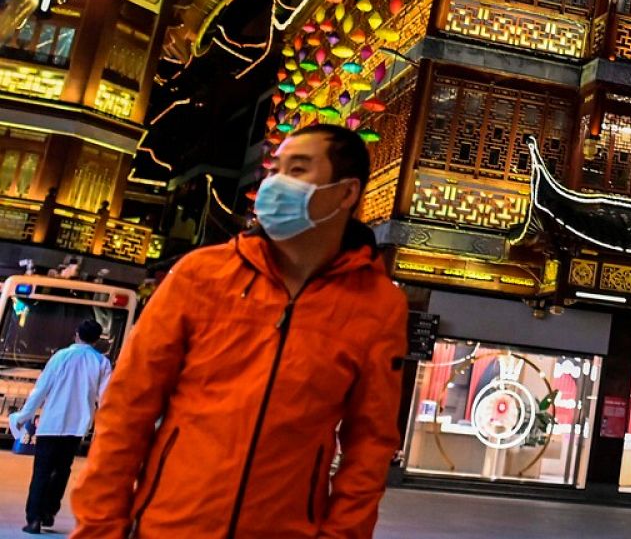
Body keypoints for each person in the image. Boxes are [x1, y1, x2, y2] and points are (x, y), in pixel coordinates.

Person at [70, 124, 410, 539]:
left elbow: (370, 443)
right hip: (168, 526)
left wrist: (341, 534)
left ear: (346, 193)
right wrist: (100, 525)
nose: (275, 184)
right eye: (276, 169)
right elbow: (127, 406)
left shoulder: (377, 305)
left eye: (298, 169)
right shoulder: (202, 274)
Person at [9, 319, 112, 534]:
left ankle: (34, 519)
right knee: (62, 470)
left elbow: (41, 389)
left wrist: (23, 415)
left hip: (51, 424)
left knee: (42, 472)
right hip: (77, 427)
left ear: (76, 334)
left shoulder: (60, 357)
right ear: (96, 340)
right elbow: (106, 398)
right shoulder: (102, 363)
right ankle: (48, 513)